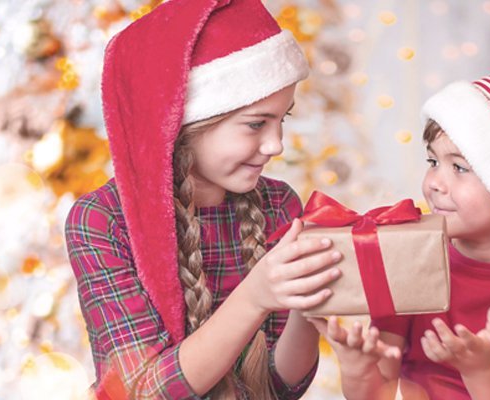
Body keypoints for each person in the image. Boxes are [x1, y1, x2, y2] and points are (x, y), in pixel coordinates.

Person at [65, 0, 343, 398]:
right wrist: (255, 296)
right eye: (255, 124)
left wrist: (307, 303)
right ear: (186, 124)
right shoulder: (103, 220)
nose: (276, 145)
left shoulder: (279, 204)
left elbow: (281, 387)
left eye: (283, 120)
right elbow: (142, 391)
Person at [311, 39, 490, 399]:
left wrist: (480, 371)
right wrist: (356, 368)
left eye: (459, 167)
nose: (434, 183)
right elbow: (375, 392)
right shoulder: (411, 258)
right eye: (433, 162)